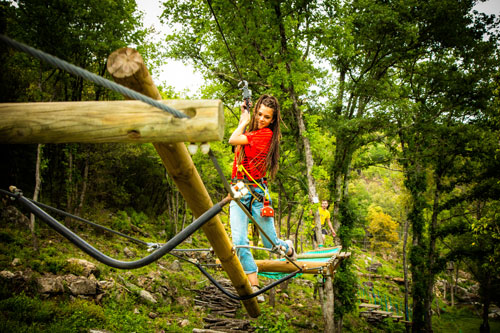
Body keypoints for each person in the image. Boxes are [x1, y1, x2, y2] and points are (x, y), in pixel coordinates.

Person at [228, 94, 295, 302]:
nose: (261, 119)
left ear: (272, 120)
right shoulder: (252, 131)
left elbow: (232, 139)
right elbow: (239, 135)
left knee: (270, 245)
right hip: (239, 190)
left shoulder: (265, 135)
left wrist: (245, 121)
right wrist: (244, 115)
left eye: (266, 117)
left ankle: (288, 246)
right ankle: (254, 283)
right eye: (259, 114)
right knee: (239, 241)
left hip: (257, 193)